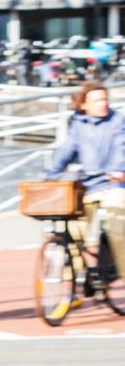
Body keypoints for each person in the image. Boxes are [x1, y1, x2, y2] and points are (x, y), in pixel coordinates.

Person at [44, 80, 125, 284]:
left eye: (105, 99)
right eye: (97, 100)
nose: (103, 104)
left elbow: (121, 145)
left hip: (113, 185)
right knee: (73, 230)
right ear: (83, 105)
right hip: (89, 185)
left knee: (118, 229)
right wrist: (51, 173)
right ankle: (75, 282)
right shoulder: (78, 125)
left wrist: (119, 169)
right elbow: (66, 150)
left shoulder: (117, 121)